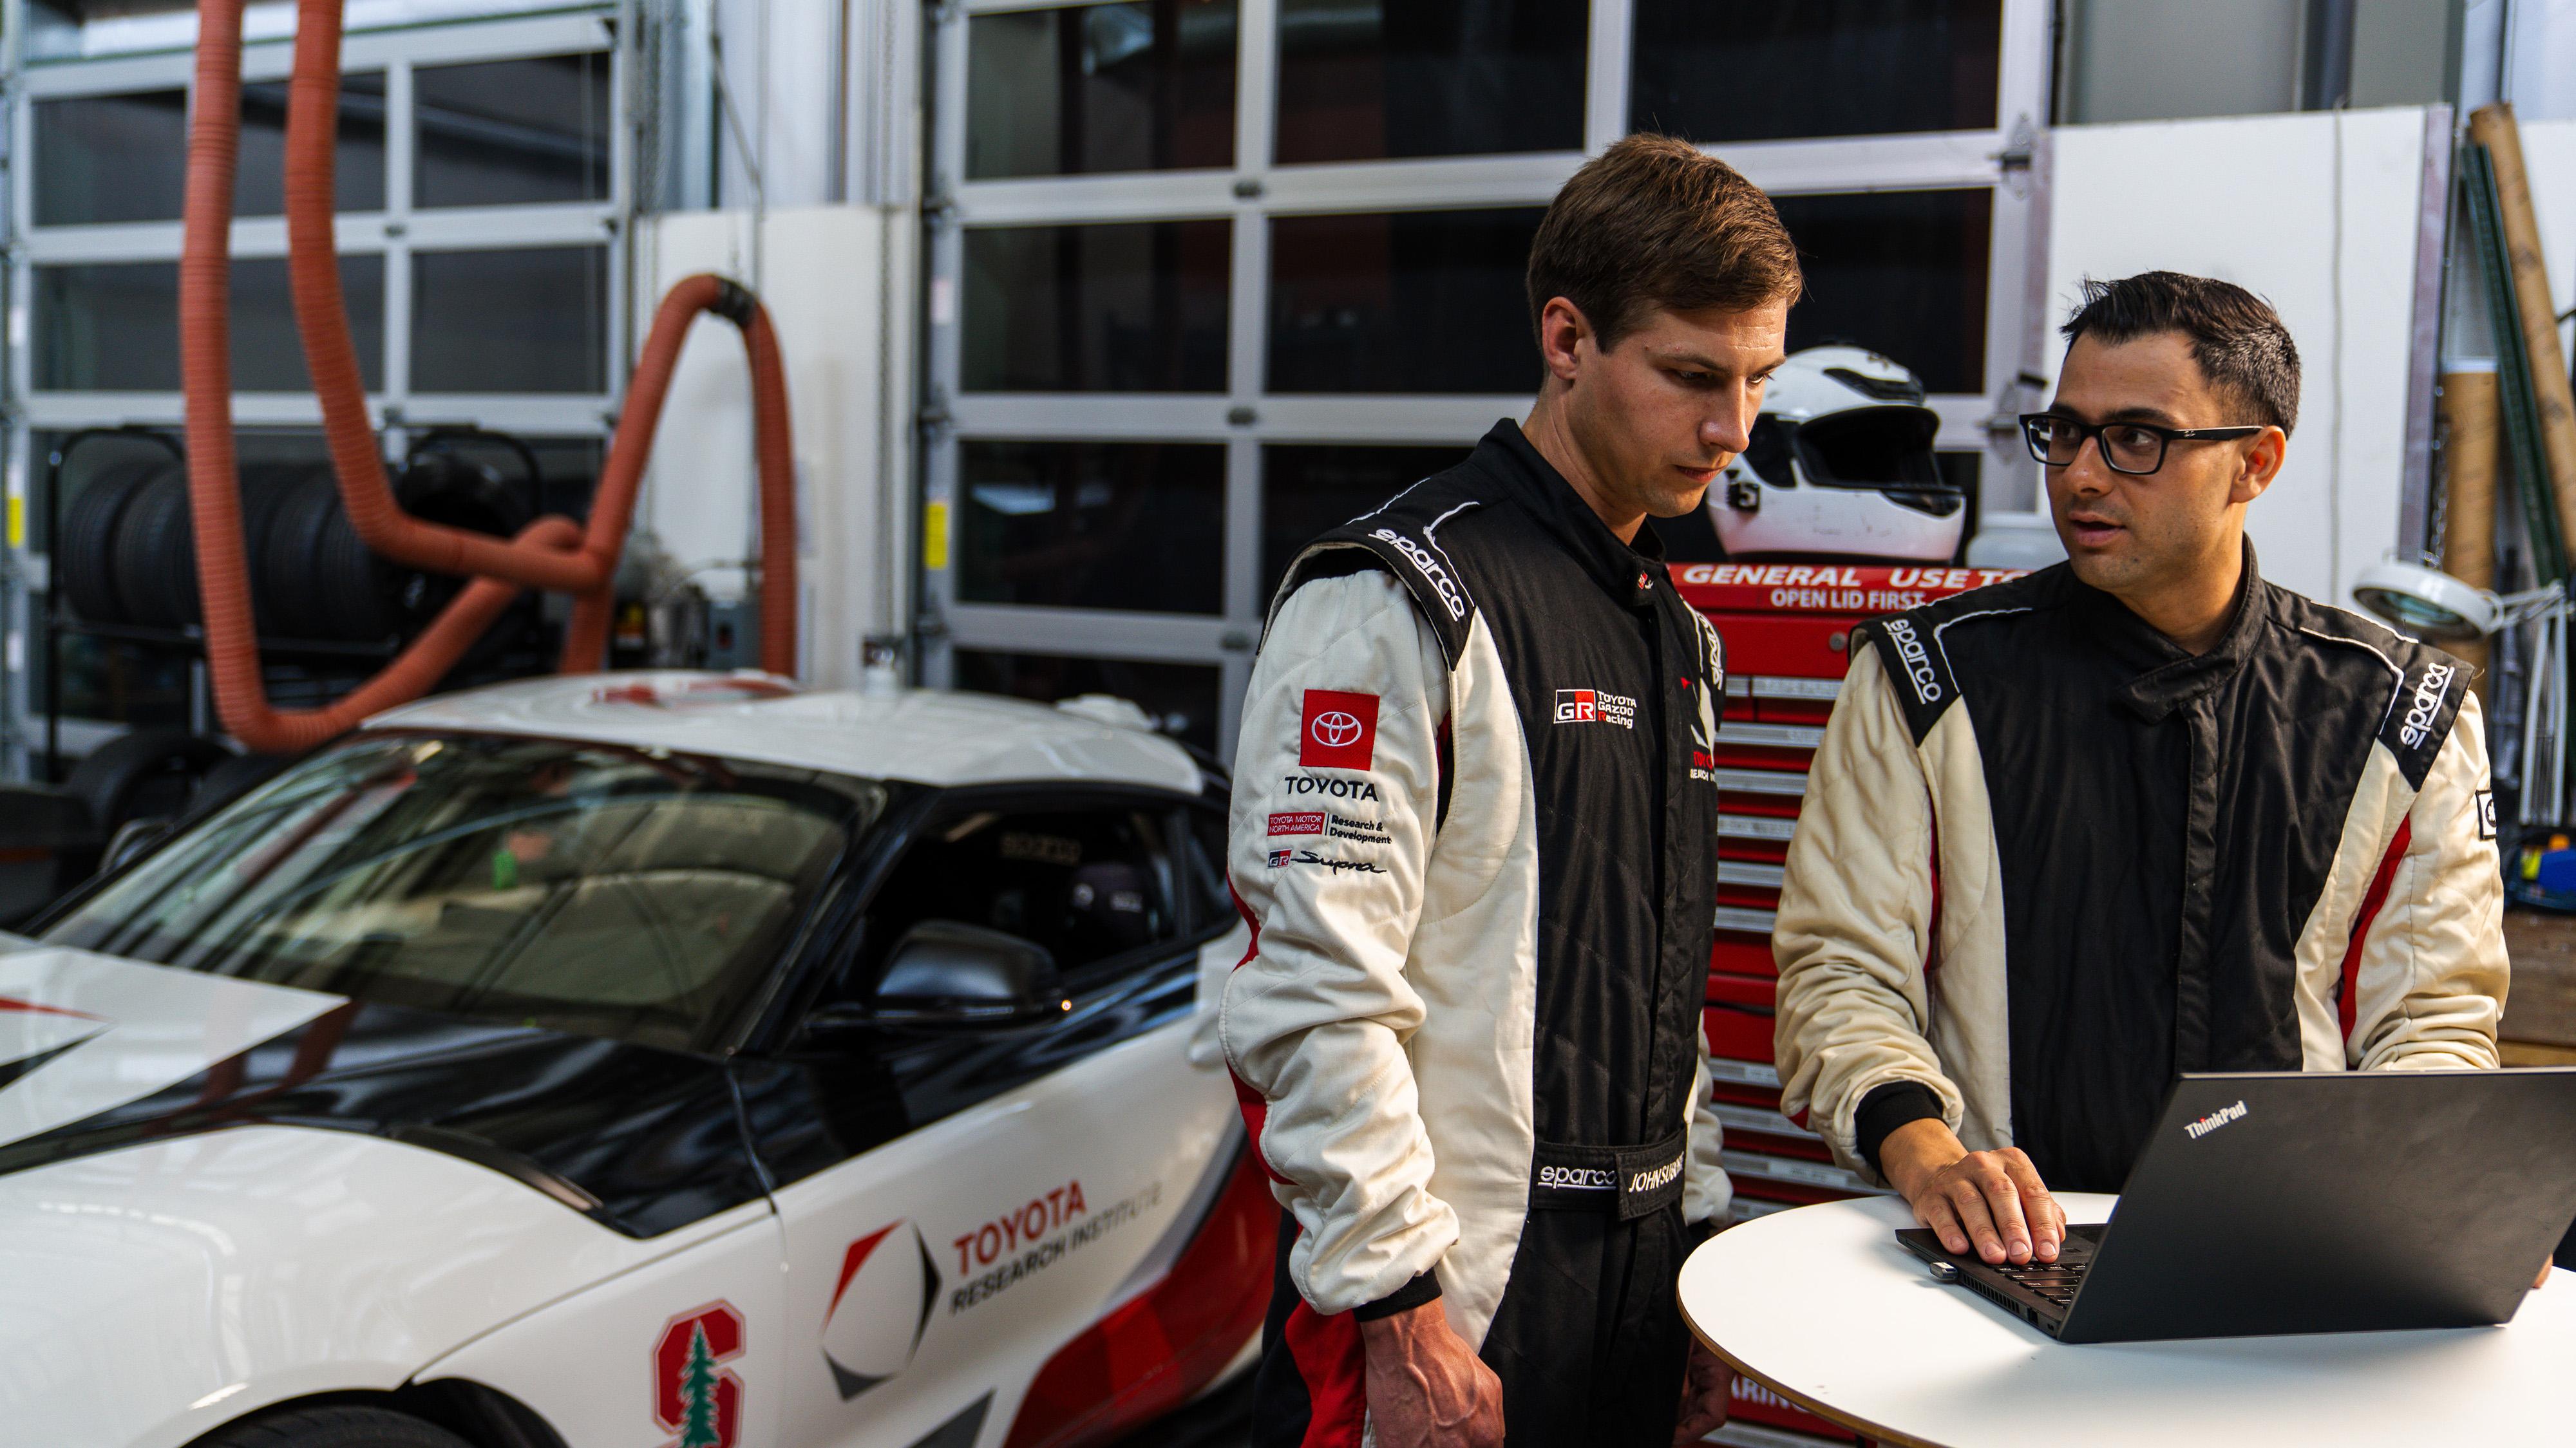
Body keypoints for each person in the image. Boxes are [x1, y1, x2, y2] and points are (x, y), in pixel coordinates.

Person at [1219, 134, 1795, 1447]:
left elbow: (1664, 980)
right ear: (1565, 337)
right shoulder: (1388, 600)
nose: (1732, 430)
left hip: (1634, 1286)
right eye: (1691, 377)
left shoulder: (1672, 628)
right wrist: (1395, 1306)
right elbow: (1313, 992)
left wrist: (1693, 1244)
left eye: (1756, 380)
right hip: (1447, 1299)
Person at [1775, 271, 2509, 1272]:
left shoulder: (2401, 710)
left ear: (2256, 463)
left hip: (2290, 1260)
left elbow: (2431, 1017)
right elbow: (1840, 973)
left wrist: (2436, 1184)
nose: (2081, 474)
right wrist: (1929, 1154)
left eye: (2137, 439)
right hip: (1998, 1262)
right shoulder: (1926, 677)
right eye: (2066, 432)